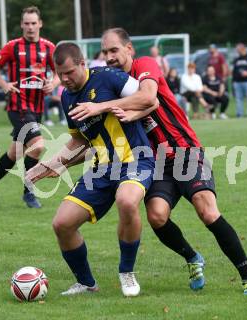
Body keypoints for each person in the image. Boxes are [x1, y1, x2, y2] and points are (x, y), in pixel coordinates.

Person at [68, 28, 247, 295]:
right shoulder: (107, 83)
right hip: (153, 161)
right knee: (157, 216)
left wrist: (101, 106)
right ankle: (193, 258)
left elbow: (148, 97)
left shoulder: (144, 66)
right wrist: (56, 164)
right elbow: (95, 139)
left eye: (114, 50)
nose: (110, 56)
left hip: (184, 151)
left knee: (207, 211)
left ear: (129, 49)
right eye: (105, 52)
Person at [26, 42, 157, 296]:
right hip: (102, 169)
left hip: (136, 159)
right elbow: (79, 141)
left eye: (70, 72)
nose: (65, 79)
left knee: (127, 201)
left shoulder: (109, 77)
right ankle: (87, 283)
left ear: (83, 64)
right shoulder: (67, 97)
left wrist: (101, 106)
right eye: (60, 74)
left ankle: (126, 272)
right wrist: (49, 164)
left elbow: (149, 97)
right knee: (62, 223)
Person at [0, 6, 60, 208]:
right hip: (18, 106)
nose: (30, 27)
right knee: (38, 146)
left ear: (40, 24)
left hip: (37, 107)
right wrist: (4, 85)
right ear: (22, 24)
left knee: (15, 153)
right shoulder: (13, 47)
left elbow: (59, 72)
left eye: (34, 23)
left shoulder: (49, 48)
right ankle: (29, 192)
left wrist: (54, 83)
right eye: (27, 23)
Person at [232, 43, 247, 117]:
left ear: (243, 49)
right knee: (239, 99)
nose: (237, 50)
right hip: (238, 82)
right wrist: (235, 80)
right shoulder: (236, 59)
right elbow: (234, 71)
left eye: (238, 49)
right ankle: (239, 114)